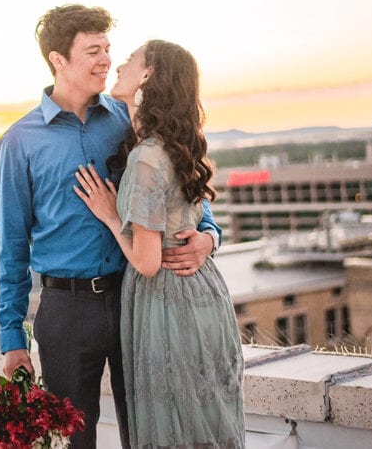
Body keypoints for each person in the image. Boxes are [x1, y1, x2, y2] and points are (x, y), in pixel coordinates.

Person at [0, 6, 223, 449]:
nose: (105, 60)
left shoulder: (129, 121)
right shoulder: (20, 141)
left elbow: (182, 192)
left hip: (135, 299)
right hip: (65, 311)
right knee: (72, 442)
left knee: (146, 434)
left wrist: (210, 237)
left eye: (108, 49)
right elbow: (12, 245)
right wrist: (12, 339)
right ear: (58, 61)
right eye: (92, 51)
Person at [74, 39, 245, 449]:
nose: (117, 66)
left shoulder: (147, 158)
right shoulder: (174, 143)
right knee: (207, 422)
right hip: (203, 294)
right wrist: (209, 236)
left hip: (167, 303)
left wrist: (111, 214)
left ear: (148, 76)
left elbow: (147, 262)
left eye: (130, 60)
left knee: (176, 429)